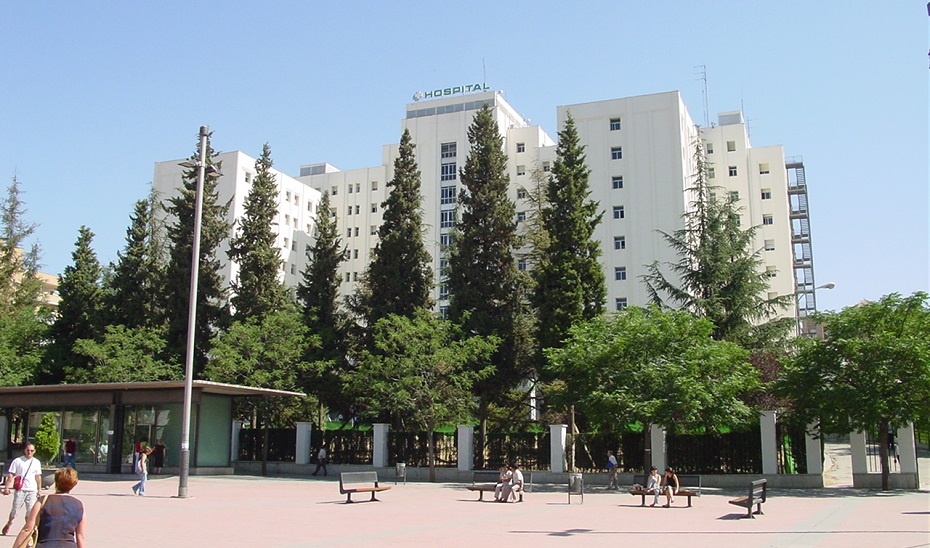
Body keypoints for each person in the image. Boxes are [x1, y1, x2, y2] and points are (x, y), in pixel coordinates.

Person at [11, 467, 85, 547]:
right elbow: (80, 537)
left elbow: (27, 529)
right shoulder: (79, 505)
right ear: (74, 484)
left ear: (56, 481)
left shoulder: (43, 501)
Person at [2, 443, 43, 536]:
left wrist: (39, 489)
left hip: (32, 490)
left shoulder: (36, 462)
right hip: (20, 490)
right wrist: (7, 488)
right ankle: (9, 523)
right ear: (24, 450)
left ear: (34, 451)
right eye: (28, 450)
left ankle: (28, 530)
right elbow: (11, 475)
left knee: (30, 512)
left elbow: (38, 477)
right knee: (15, 510)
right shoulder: (18, 461)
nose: (29, 452)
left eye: (32, 451)